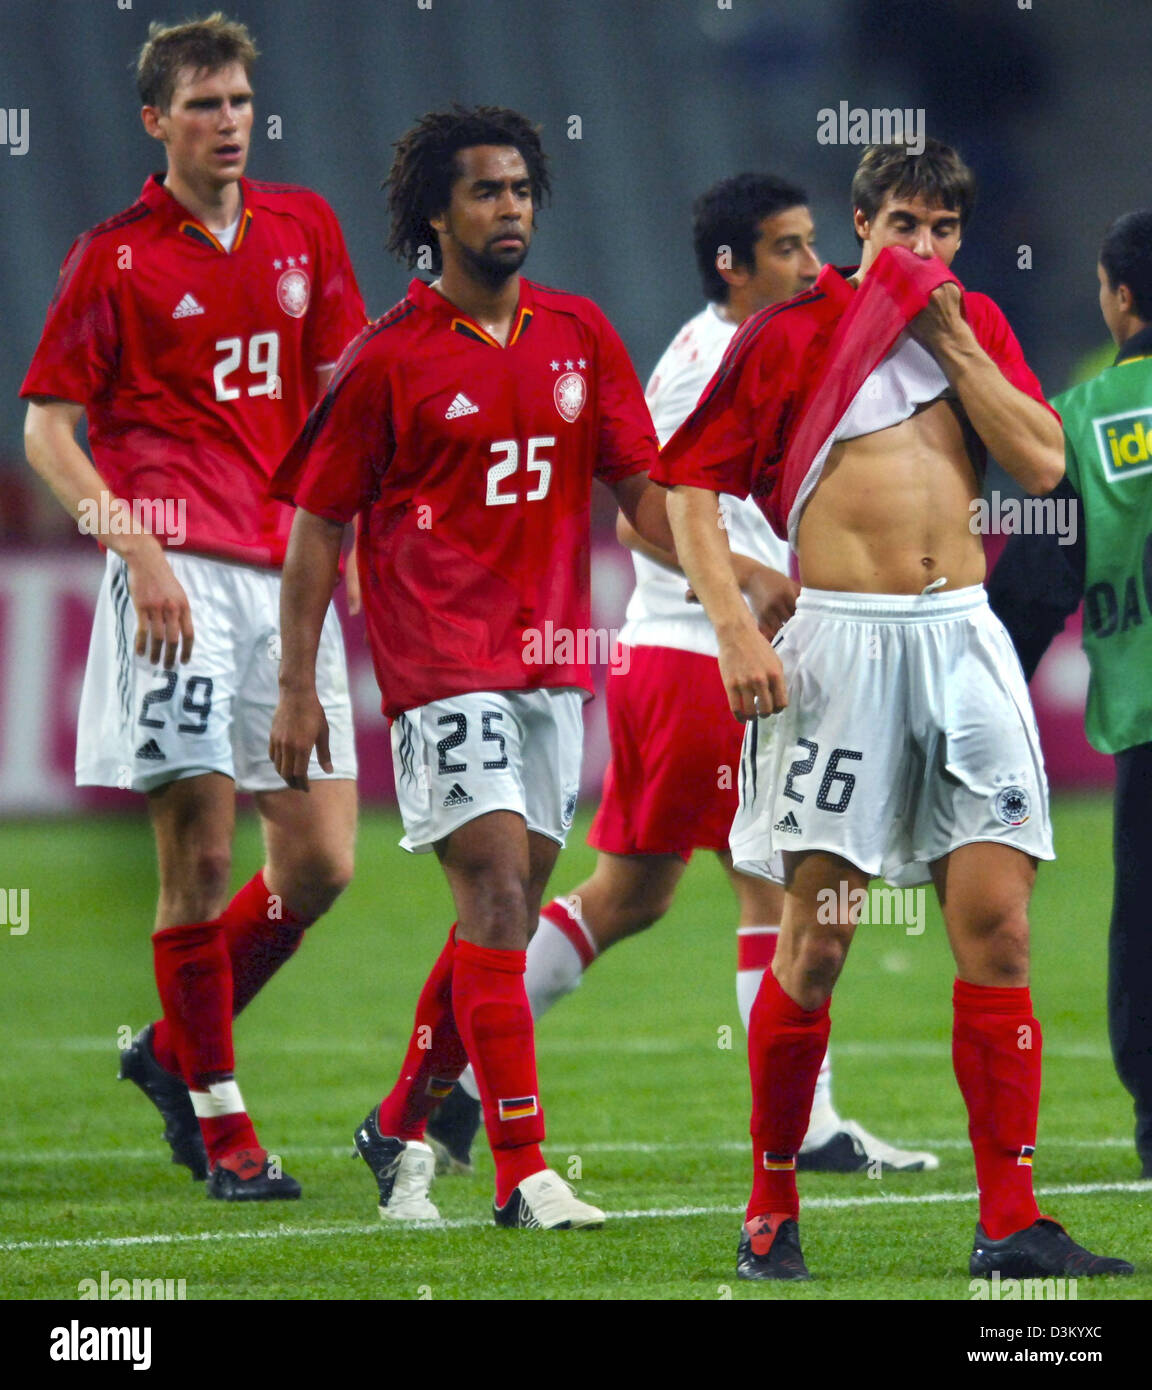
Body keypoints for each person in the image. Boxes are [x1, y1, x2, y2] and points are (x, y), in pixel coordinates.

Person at [654, 140, 1133, 1281]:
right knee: (816, 940)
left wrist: (954, 337)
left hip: (961, 638)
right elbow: (686, 489)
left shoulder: (971, 325)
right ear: (860, 227)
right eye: (905, 227)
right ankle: (772, 1205)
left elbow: (1043, 463)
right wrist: (730, 625)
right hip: (844, 649)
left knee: (1003, 929)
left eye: (944, 230)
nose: (925, 249)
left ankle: (1010, 1222)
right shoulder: (789, 333)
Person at [428, 173, 939, 1181]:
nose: (810, 265)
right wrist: (745, 585)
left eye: (810, 245)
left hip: (689, 658)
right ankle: (805, 1124)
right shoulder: (701, 361)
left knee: (640, 894)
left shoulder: (763, 343)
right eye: (788, 249)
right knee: (773, 889)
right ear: (731, 266)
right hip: (705, 657)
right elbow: (640, 510)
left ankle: (448, 1089)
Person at [269, 105, 685, 1230]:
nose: (511, 208)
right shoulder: (387, 360)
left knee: (499, 918)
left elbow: (638, 486)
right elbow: (317, 527)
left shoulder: (579, 332)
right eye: (486, 192)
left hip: (552, 663)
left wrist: (729, 576)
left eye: (521, 188)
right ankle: (521, 1170)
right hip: (440, 662)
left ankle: (400, 1115)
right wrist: (300, 684)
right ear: (435, 215)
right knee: (498, 888)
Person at [21, 13, 365, 1201]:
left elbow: (339, 390)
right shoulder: (112, 257)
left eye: (239, 104)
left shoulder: (303, 227)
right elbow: (46, 431)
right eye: (204, 105)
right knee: (203, 854)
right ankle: (224, 1126)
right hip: (174, 573)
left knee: (319, 860)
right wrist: (136, 547)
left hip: (287, 570)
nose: (228, 123)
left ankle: (170, 1050)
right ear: (156, 119)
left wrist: (350, 531)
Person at [988, 209, 1152, 1179]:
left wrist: (979, 690)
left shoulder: (1080, 423)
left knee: (1145, 936)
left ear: (1121, 298)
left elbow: (1034, 595)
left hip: (1146, 719)